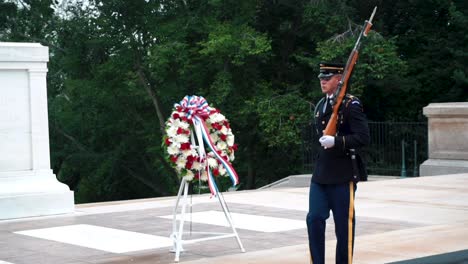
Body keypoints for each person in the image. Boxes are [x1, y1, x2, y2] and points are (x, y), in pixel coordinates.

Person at [306, 62, 370, 264]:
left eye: (328, 78)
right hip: (321, 173)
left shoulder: (351, 105)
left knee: (344, 227)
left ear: (340, 80)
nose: (323, 81)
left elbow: (363, 137)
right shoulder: (320, 105)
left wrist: (338, 141)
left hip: (343, 174)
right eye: (321, 78)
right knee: (314, 219)